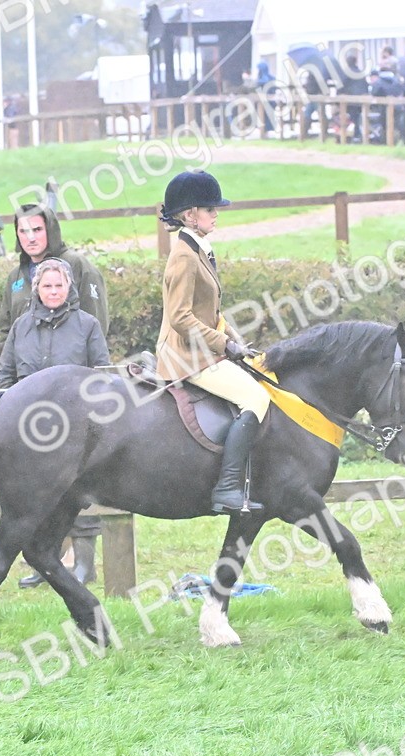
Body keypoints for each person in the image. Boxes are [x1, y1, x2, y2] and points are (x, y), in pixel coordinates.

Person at [155, 170, 269, 515]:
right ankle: (228, 487)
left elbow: (209, 312)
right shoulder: (184, 257)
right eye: (210, 209)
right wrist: (223, 344)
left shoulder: (199, 249)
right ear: (190, 215)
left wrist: (236, 340)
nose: (216, 214)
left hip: (201, 348)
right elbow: (181, 317)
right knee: (256, 397)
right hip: (185, 355)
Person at [0, 258, 110, 587]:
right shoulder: (21, 327)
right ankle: (45, 564)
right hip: (31, 427)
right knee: (38, 497)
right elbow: (5, 374)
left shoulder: (87, 325)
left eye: (59, 285)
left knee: (80, 492)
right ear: (37, 289)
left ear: (69, 287)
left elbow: (101, 374)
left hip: (77, 428)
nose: (54, 291)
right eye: (47, 285)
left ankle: (85, 564)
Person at [0, 203, 109, 337]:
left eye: (37, 230)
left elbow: (96, 326)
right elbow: (5, 331)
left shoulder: (77, 266)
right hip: (23, 351)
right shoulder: (16, 276)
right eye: (24, 231)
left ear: (50, 230)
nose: (31, 238)